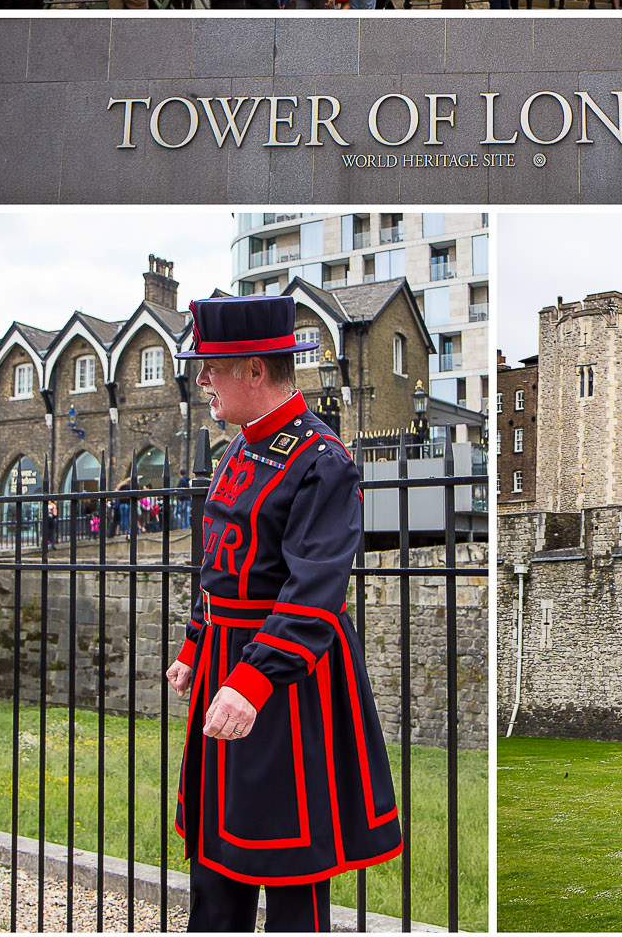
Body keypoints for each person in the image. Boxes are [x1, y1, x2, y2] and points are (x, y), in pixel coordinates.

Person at [168, 296, 401, 930]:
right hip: (225, 660)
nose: (203, 380)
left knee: (288, 863)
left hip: (285, 681)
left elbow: (315, 587)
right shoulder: (238, 449)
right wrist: (195, 644)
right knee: (217, 849)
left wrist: (253, 679)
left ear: (254, 372)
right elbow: (220, 562)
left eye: (214, 367)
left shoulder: (321, 460)